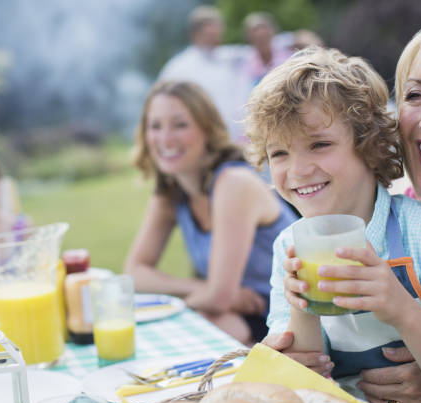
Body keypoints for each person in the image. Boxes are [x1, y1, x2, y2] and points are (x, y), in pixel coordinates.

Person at [244, 46, 421, 403]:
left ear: (370, 147)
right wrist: (300, 309)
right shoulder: (288, 246)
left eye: (319, 144)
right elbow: (305, 383)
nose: (298, 170)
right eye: (279, 153)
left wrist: (400, 309)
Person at [124, 80, 298, 344]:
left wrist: (188, 302)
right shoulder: (171, 193)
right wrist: (197, 289)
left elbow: (219, 298)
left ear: (206, 129)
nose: (165, 138)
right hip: (238, 316)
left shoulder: (233, 182)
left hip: (287, 316)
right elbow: (134, 273)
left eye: (180, 125)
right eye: (155, 126)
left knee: (195, 329)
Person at [159, 6, 244, 142]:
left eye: (218, 33)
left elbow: (270, 46)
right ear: (195, 34)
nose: (216, 38)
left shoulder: (229, 58)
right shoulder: (178, 68)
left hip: (233, 141)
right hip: (198, 141)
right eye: (210, 35)